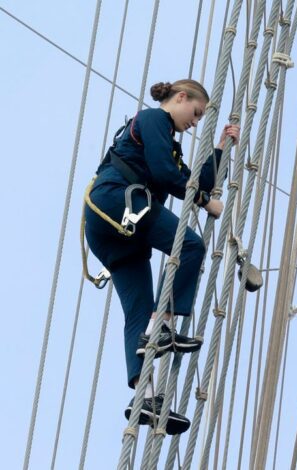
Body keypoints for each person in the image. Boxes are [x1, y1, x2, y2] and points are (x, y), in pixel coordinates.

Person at [84, 79, 240, 434]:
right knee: (191, 246)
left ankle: (145, 397)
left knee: (137, 311)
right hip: (118, 200)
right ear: (181, 98)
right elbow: (164, 174)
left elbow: (192, 180)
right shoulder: (154, 120)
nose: (195, 121)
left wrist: (221, 150)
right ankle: (165, 324)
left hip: (115, 230)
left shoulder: (168, 144)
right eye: (196, 113)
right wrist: (203, 202)